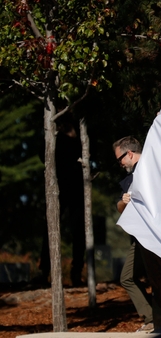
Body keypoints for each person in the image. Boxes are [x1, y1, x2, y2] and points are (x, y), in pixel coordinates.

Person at [39, 119, 86, 287]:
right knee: (51, 228)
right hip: (57, 187)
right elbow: (42, 155)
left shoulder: (78, 131)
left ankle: (76, 271)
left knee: (78, 230)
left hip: (76, 187)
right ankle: (44, 271)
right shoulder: (53, 133)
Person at [114, 136, 154, 333]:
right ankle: (152, 317)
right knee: (127, 277)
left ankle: (155, 318)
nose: (120, 164)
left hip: (157, 235)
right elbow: (120, 207)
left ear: (129, 153)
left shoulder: (151, 166)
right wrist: (124, 201)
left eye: (120, 158)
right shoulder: (129, 180)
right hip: (141, 238)